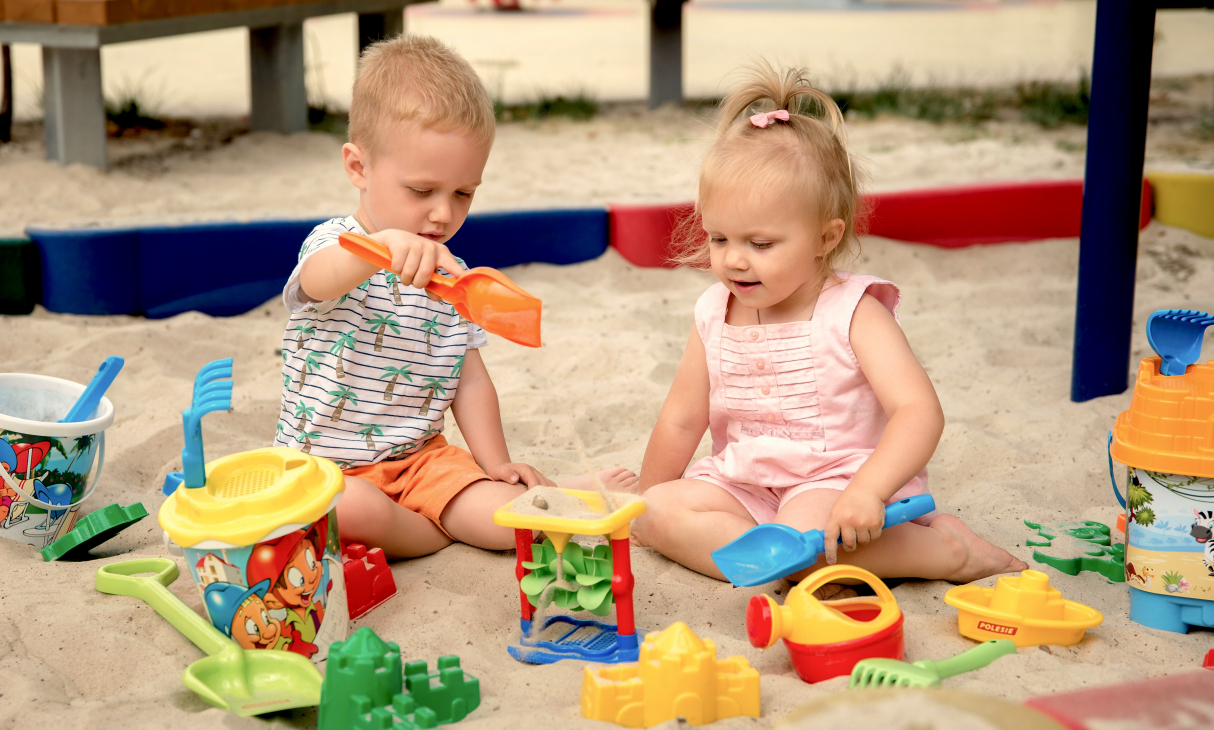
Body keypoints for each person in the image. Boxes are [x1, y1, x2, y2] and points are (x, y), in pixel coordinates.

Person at [631, 63, 1026, 584]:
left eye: (761, 244)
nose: (734, 260)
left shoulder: (853, 311)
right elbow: (682, 420)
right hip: (744, 482)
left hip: (837, 483)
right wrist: (640, 504)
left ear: (825, 237)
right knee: (657, 512)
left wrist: (868, 490)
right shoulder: (713, 312)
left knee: (808, 550)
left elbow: (917, 410)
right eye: (720, 238)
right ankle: (776, 556)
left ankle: (946, 550)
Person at [274, 34, 635, 558]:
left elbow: (468, 380)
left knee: (501, 524)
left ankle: (549, 500)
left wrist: (495, 463)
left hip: (424, 462)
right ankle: (426, 535)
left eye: (463, 193)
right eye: (421, 191)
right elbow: (319, 280)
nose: (443, 214)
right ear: (358, 167)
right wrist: (381, 247)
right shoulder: (337, 244)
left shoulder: (454, 277)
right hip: (331, 469)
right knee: (350, 508)